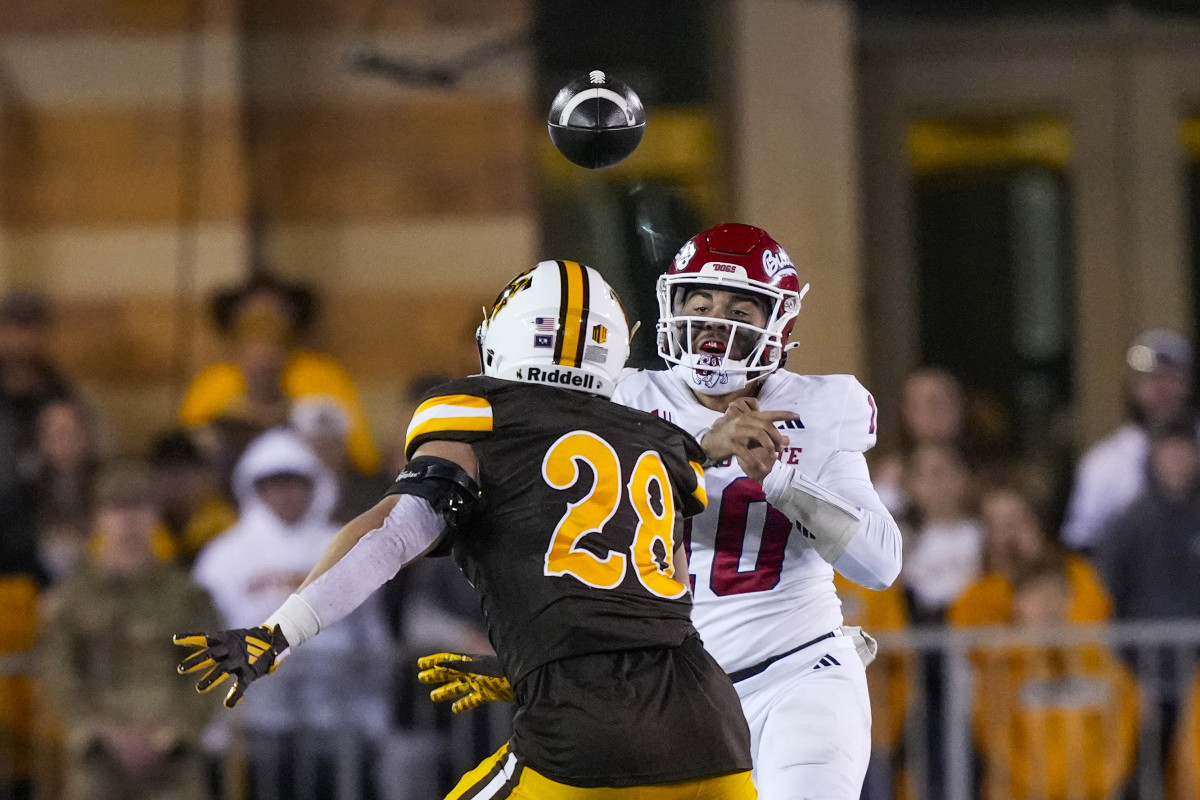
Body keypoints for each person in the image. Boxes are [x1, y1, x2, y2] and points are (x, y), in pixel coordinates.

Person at [175, 261, 755, 800]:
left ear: (505, 334)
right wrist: (527, 661)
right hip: (715, 734)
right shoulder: (657, 440)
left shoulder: (482, 414)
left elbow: (392, 535)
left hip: (584, 741)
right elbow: (668, 598)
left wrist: (280, 632)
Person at [415, 224, 903, 800]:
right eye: (701, 304)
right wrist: (539, 662)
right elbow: (565, 548)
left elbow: (880, 563)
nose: (715, 324)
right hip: (675, 694)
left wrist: (781, 479)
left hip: (798, 673)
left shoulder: (820, 407)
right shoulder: (623, 400)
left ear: (778, 323)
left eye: (738, 309)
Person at [190, 427, 391, 800]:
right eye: (273, 483)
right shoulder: (223, 555)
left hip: (337, 722)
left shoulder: (346, 544)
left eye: (294, 482)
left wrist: (373, 713)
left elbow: (373, 632)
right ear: (255, 488)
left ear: (313, 485)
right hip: (252, 726)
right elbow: (204, 632)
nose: (284, 493)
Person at [38, 461, 222, 800]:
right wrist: (94, 732)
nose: (127, 521)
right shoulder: (74, 598)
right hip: (96, 762)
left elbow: (210, 665)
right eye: (116, 508)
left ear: (154, 515)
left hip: (173, 764)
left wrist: (172, 733)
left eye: (138, 508)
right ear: (98, 519)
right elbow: (57, 669)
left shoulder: (186, 596)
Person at [178, 271, 381, 476]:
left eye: (273, 309)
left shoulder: (323, 375)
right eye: (253, 312)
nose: (264, 315)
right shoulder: (212, 381)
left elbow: (362, 457)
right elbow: (188, 457)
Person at [971, 554, 1139, 800]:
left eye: (1055, 594)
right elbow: (996, 743)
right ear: (1017, 603)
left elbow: (1120, 736)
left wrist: (1096, 786)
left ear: (1069, 599)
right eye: (1036, 596)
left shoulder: (1103, 666)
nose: (1047, 606)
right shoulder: (1001, 670)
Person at [1094, 414, 1200, 770]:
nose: (1178, 459)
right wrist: (1127, 677)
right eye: (1170, 450)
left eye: (1186, 450)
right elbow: (1107, 600)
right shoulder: (1126, 525)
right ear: (1154, 456)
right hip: (1145, 678)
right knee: (1145, 776)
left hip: (1196, 677)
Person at [1062, 328, 1196, 552]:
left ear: (1188, 384)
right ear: (1132, 386)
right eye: (1152, 379)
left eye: (1172, 378)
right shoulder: (1103, 462)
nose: (1162, 389)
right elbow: (1082, 543)